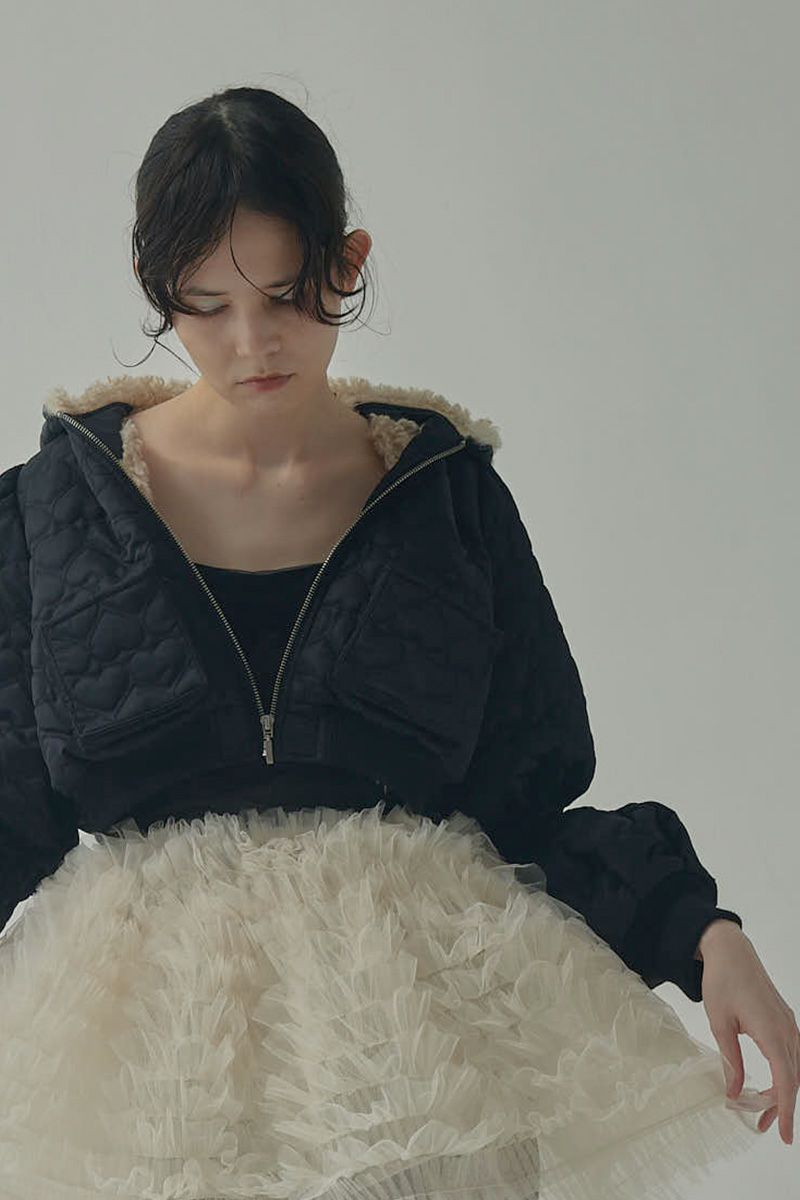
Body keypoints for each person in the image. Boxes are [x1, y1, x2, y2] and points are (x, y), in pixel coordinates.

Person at [0, 84, 795, 1200]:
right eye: (205, 305)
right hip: (147, 1074)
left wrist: (704, 935)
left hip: (420, 1051)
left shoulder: (446, 497)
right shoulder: (54, 511)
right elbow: (10, 808)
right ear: (155, 287)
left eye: (287, 295)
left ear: (349, 261)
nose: (250, 342)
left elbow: (526, 797)